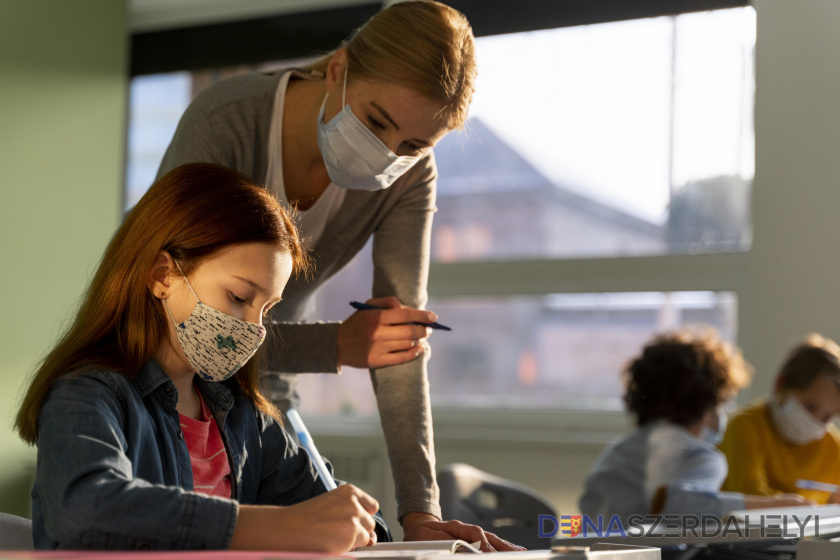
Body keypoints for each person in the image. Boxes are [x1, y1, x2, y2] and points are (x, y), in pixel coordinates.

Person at [154, 0, 493, 545]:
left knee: (358, 540)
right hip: (163, 387)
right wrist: (334, 345)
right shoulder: (229, 122)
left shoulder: (410, 179)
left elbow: (397, 344)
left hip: (262, 397)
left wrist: (421, 514)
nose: (387, 153)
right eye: (376, 121)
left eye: (413, 144)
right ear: (337, 69)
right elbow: (175, 329)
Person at [15, 163, 387, 551]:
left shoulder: (245, 419)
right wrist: (278, 527)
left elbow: (333, 505)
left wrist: (362, 523)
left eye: (267, 309)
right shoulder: (86, 394)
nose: (255, 328)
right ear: (163, 275)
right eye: (240, 297)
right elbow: (85, 510)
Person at [579, 330, 811, 525]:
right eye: (722, 402)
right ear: (708, 406)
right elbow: (677, 506)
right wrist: (771, 506)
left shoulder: (618, 453)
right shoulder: (698, 457)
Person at [719, 333, 840, 504]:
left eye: (828, 416)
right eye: (810, 406)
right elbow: (749, 495)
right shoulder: (746, 426)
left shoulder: (833, 446)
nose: (816, 421)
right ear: (781, 385)